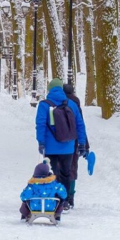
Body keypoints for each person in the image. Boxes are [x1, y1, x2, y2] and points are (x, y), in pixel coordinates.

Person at [35, 78, 88, 212]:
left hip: (50, 147)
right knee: (65, 173)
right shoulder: (71, 104)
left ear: (50, 89)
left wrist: (41, 142)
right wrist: (81, 143)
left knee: (53, 173)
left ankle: (53, 199)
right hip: (68, 146)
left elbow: (40, 124)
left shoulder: (44, 105)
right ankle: (64, 201)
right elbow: (80, 125)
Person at [63, 82, 85, 208]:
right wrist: (83, 144)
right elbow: (80, 124)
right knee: (72, 168)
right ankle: (71, 196)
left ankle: (62, 196)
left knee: (60, 168)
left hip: (60, 139)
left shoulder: (57, 102)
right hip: (74, 139)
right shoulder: (75, 102)